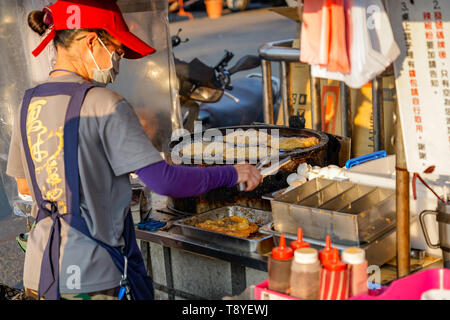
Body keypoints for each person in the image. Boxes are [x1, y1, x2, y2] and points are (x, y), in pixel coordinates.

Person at [6, 0, 262, 300]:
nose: (118, 60)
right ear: (91, 41)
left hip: (40, 272)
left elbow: (25, 185)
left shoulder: (28, 103)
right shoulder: (103, 102)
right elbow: (165, 181)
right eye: (116, 49)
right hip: (91, 277)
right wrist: (233, 172)